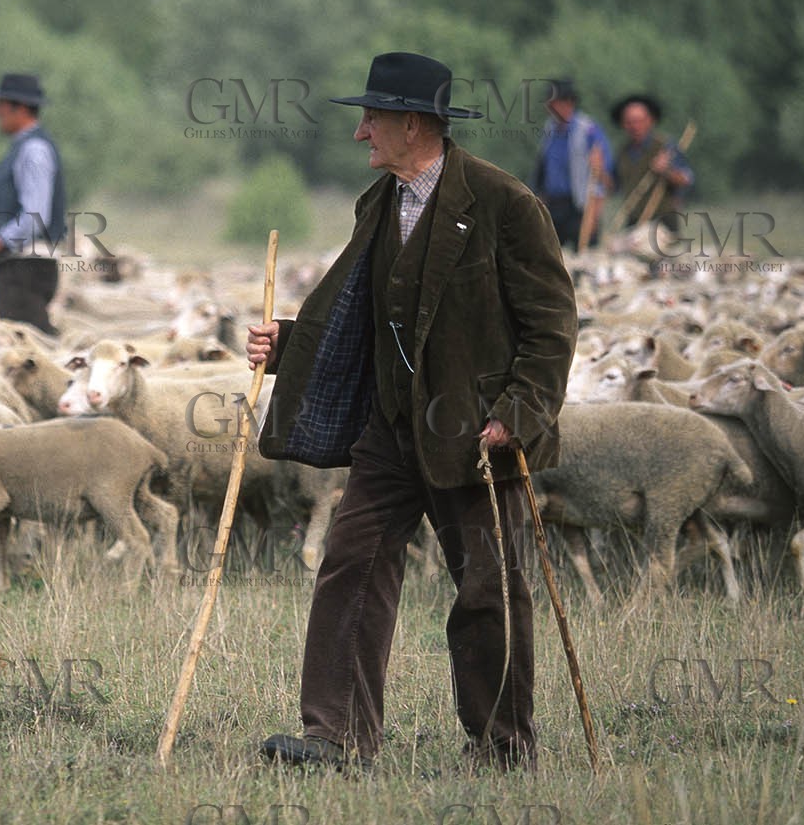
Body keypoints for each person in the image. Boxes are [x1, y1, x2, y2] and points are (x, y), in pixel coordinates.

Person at [251, 52, 578, 775]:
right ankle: (336, 735)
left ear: (411, 123)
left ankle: (502, 746)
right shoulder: (380, 203)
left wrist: (516, 414)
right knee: (350, 562)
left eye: (371, 118)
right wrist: (289, 345)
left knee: (489, 587)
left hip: (476, 437)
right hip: (393, 431)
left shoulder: (503, 203)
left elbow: (552, 325)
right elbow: (366, 316)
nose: (361, 132)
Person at [0, 72, 65, 336]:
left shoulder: (33, 150)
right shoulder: (24, 148)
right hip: (21, 266)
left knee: (26, 349)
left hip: (25, 267)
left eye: (1, 104)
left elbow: (34, 215)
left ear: (19, 108)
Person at [532, 78, 611, 249]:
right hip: (554, 205)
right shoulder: (550, 129)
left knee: (584, 254)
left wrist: (594, 214)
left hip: (580, 205)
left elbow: (601, 175)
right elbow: (543, 169)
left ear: (569, 102)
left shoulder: (588, 129)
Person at [608, 93, 693, 229]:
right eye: (629, 122)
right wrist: (598, 171)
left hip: (663, 223)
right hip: (634, 221)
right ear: (623, 124)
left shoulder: (665, 146)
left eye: (639, 120)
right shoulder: (622, 151)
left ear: (650, 120)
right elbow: (612, 187)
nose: (635, 126)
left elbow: (685, 180)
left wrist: (665, 171)